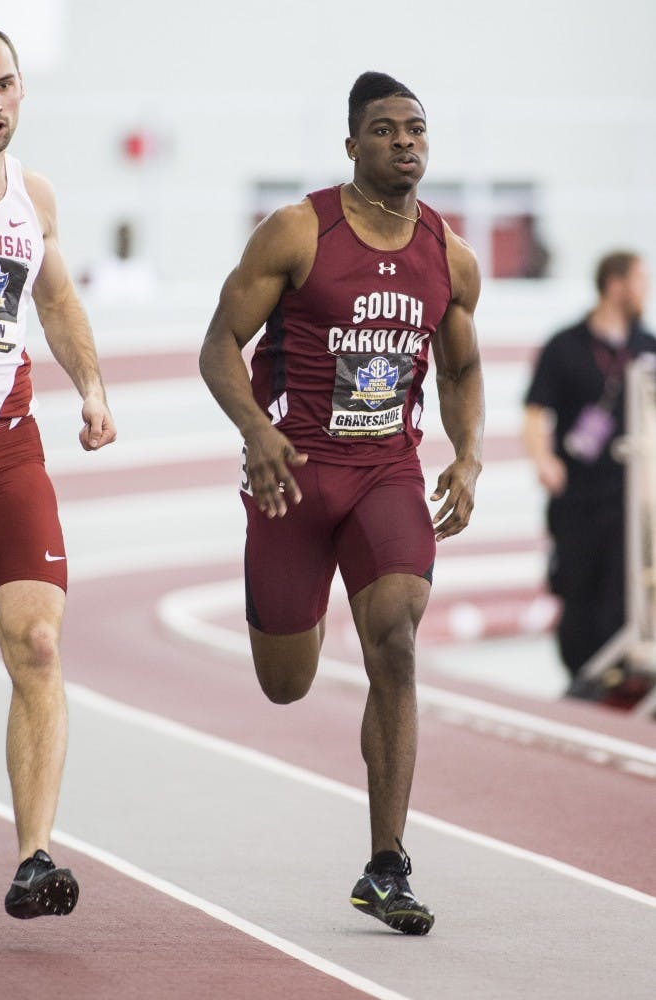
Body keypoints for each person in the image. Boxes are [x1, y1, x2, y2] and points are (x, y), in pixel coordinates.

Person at [199, 71, 484, 935]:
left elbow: (462, 369)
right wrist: (255, 430)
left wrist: (467, 456)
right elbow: (218, 346)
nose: (405, 142)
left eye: (417, 129)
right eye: (386, 129)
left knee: (394, 638)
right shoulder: (298, 231)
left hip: (385, 474)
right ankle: (309, 602)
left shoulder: (450, 254)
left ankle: (385, 864)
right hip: (293, 475)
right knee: (287, 684)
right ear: (352, 144)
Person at [0, 26, 116, 917]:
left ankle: (35, 857)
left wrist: (93, 389)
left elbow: (57, 298)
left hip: (9, 448)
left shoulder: (30, 196)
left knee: (37, 642)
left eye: (3, 85)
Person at [523, 251, 656, 701]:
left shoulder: (647, 347)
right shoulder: (565, 345)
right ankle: (584, 678)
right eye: (641, 279)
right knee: (578, 586)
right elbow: (535, 410)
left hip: (632, 496)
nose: (647, 288)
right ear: (615, 284)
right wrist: (544, 460)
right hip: (578, 496)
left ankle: (621, 677)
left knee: (628, 589)